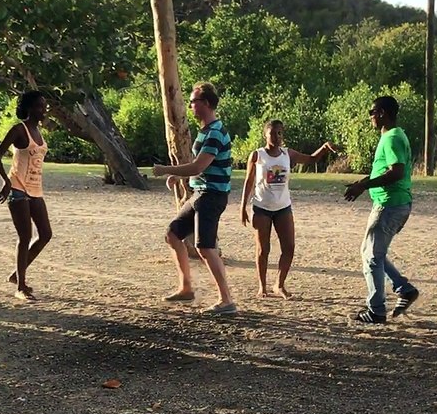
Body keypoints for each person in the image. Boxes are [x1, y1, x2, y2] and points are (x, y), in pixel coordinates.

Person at [151, 82, 236, 315]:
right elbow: (200, 169)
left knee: (206, 247)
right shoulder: (206, 131)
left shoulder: (215, 132)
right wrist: (179, 178)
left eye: (194, 101)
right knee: (173, 234)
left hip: (211, 196)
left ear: (206, 103)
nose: (190, 106)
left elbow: (199, 165)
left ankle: (226, 300)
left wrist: (167, 170)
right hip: (200, 193)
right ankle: (186, 287)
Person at [344, 96, 420, 323]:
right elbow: (384, 171)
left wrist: (364, 185)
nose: (370, 116)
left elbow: (396, 171)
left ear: (383, 113)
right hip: (394, 203)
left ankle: (376, 310)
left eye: (373, 111)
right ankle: (404, 289)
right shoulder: (394, 135)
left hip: (390, 204)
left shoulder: (392, 138)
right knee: (372, 253)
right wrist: (361, 183)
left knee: (371, 257)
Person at [239, 120, 336, 299]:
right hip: (262, 207)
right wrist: (243, 206)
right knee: (263, 249)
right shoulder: (257, 155)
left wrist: (324, 148)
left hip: (283, 207)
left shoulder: (288, 153)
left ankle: (279, 285)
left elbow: (311, 159)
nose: (277, 137)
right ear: (265, 136)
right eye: (273, 134)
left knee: (289, 247)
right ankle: (262, 286)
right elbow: (249, 180)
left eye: (280, 133)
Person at [0, 90, 52, 302]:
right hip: (18, 188)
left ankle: (18, 273)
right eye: (38, 106)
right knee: (25, 237)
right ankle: (21, 286)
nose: (43, 110)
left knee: (45, 234)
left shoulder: (39, 131)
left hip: (36, 189)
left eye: (44, 106)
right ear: (28, 108)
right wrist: (6, 182)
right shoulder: (20, 130)